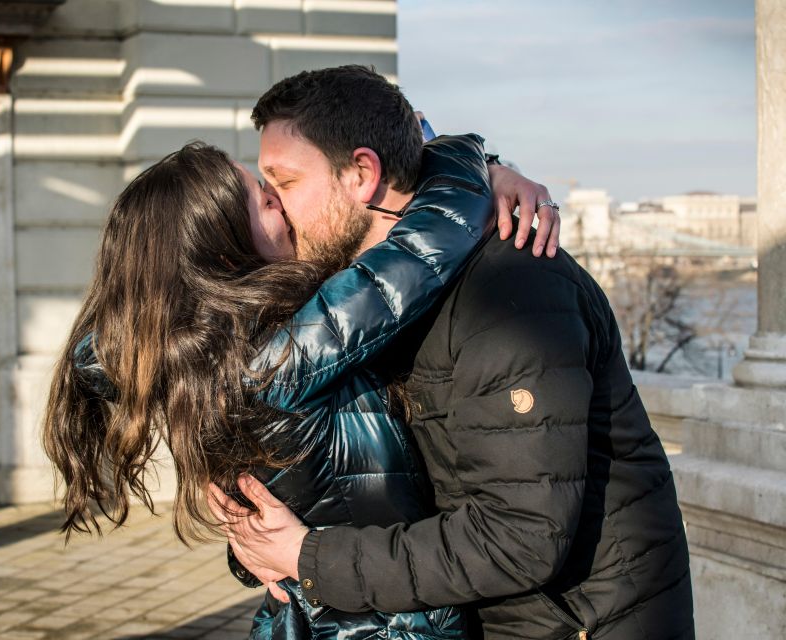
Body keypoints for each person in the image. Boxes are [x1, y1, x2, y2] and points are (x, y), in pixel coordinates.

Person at [212, 66, 695, 640]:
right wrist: (254, 534)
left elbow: (522, 536)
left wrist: (311, 560)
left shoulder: (511, 293)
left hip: (580, 621)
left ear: (361, 174)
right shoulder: (365, 302)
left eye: (285, 183)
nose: (278, 209)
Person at [41, 130, 557, 636]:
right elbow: (427, 245)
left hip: (316, 611)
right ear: (225, 250)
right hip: (389, 623)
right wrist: (465, 157)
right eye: (267, 201)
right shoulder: (288, 353)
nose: (284, 210)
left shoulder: (188, 364)